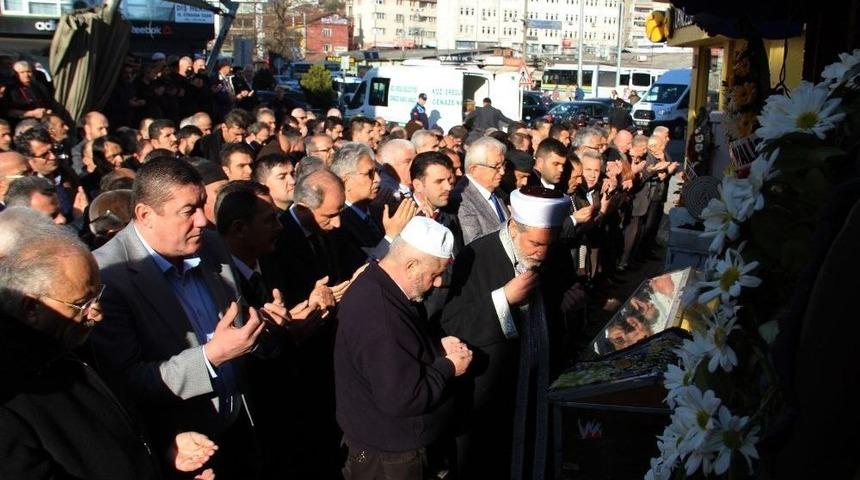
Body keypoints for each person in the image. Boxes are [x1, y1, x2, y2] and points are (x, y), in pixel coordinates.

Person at [89, 158, 291, 480]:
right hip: (185, 453)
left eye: (201, 206)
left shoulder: (211, 245)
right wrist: (211, 357)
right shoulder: (108, 277)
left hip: (242, 431)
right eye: (188, 211)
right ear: (145, 215)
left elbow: (235, 331)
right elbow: (126, 381)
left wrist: (263, 328)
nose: (202, 220)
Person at [0, 207, 217, 480]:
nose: (97, 313)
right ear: (31, 307)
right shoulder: (12, 394)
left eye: (97, 296)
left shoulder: (78, 346)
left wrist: (165, 449)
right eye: (82, 304)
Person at [442, 187, 581, 479]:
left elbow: (562, 300)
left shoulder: (554, 253)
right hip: (491, 393)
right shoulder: (476, 256)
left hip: (541, 381)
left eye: (548, 243)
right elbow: (453, 323)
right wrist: (502, 299)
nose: (540, 253)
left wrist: (570, 299)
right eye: (533, 243)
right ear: (514, 227)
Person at [335, 216, 472, 480]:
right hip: (390, 459)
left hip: (380, 446)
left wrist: (434, 347)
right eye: (435, 274)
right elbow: (403, 398)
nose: (439, 283)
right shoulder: (382, 315)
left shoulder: (377, 283)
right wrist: (448, 366)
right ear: (410, 265)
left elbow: (400, 352)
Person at [330, 142, 416, 274]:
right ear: (346, 181)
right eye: (369, 173)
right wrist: (390, 236)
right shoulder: (338, 223)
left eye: (377, 171)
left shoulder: (379, 211)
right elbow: (361, 273)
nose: (378, 179)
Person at [456, 136, 509, 244]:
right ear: (474, 170)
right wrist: (511, 227)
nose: (502, 172)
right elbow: (474, 243)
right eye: (496, 166)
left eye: (503, 165)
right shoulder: (462, 199)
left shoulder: (497, 190)